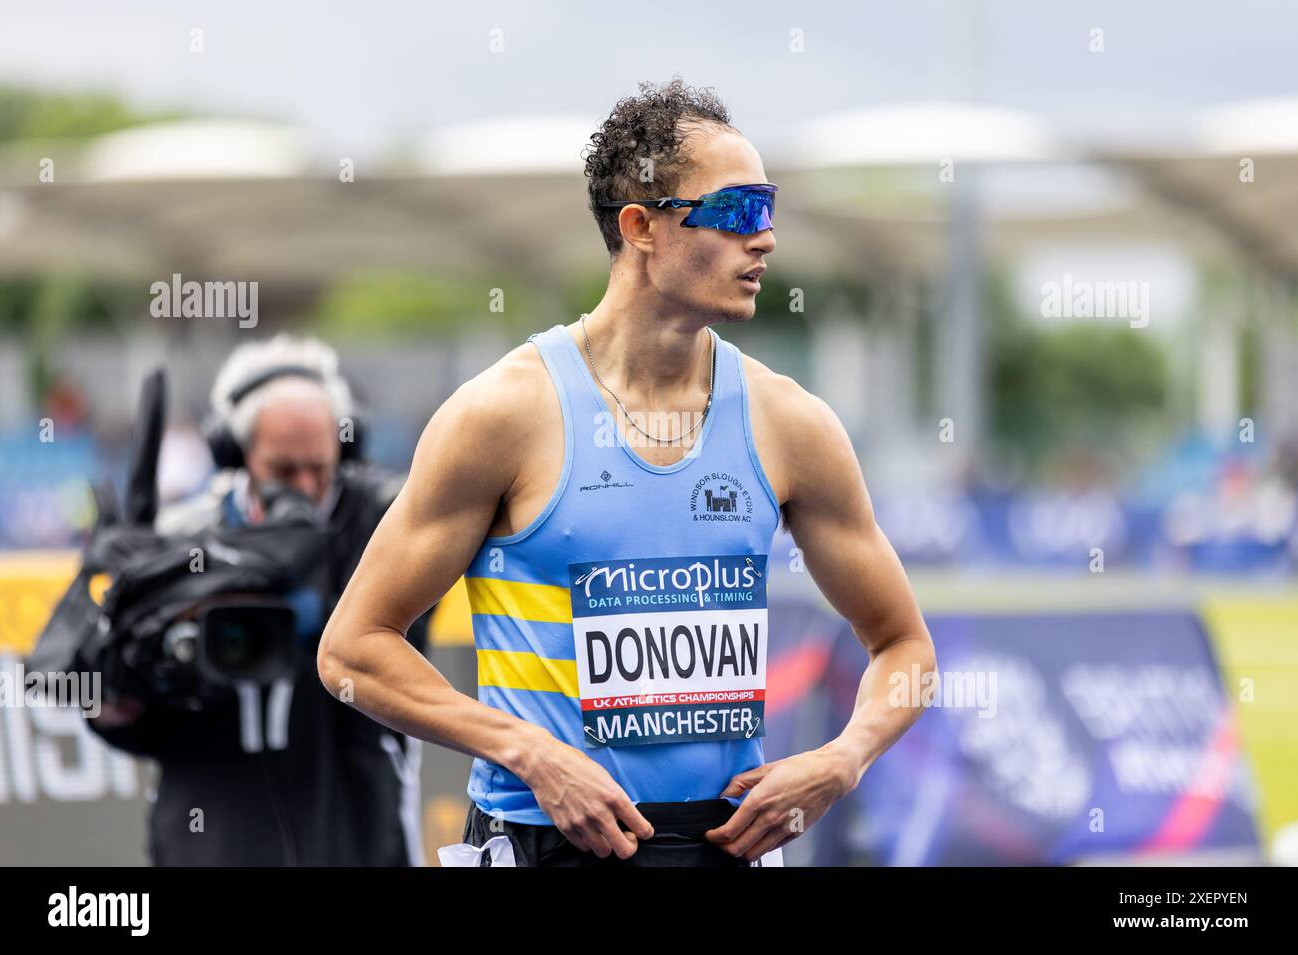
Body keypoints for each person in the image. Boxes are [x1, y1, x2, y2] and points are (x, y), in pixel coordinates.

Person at [318, 78, 936, 867]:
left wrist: (843, 760)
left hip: (724, 844)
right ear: (641, 227)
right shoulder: (503, 414)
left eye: (770, 208)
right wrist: (529, 753)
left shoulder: (791, 424)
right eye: (739, 210)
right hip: (547, 839)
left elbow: (905, 647)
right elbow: (352, 650)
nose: (767, 238)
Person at [88, 334, 429, 866]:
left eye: (319, 467)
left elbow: (387, 663)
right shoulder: (186, 539)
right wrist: (118, 691)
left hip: (350, 829)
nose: (305, 487)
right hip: (210, 835)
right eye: (283, 471)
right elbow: (135, 713)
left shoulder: (379, 524)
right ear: (235, 451)